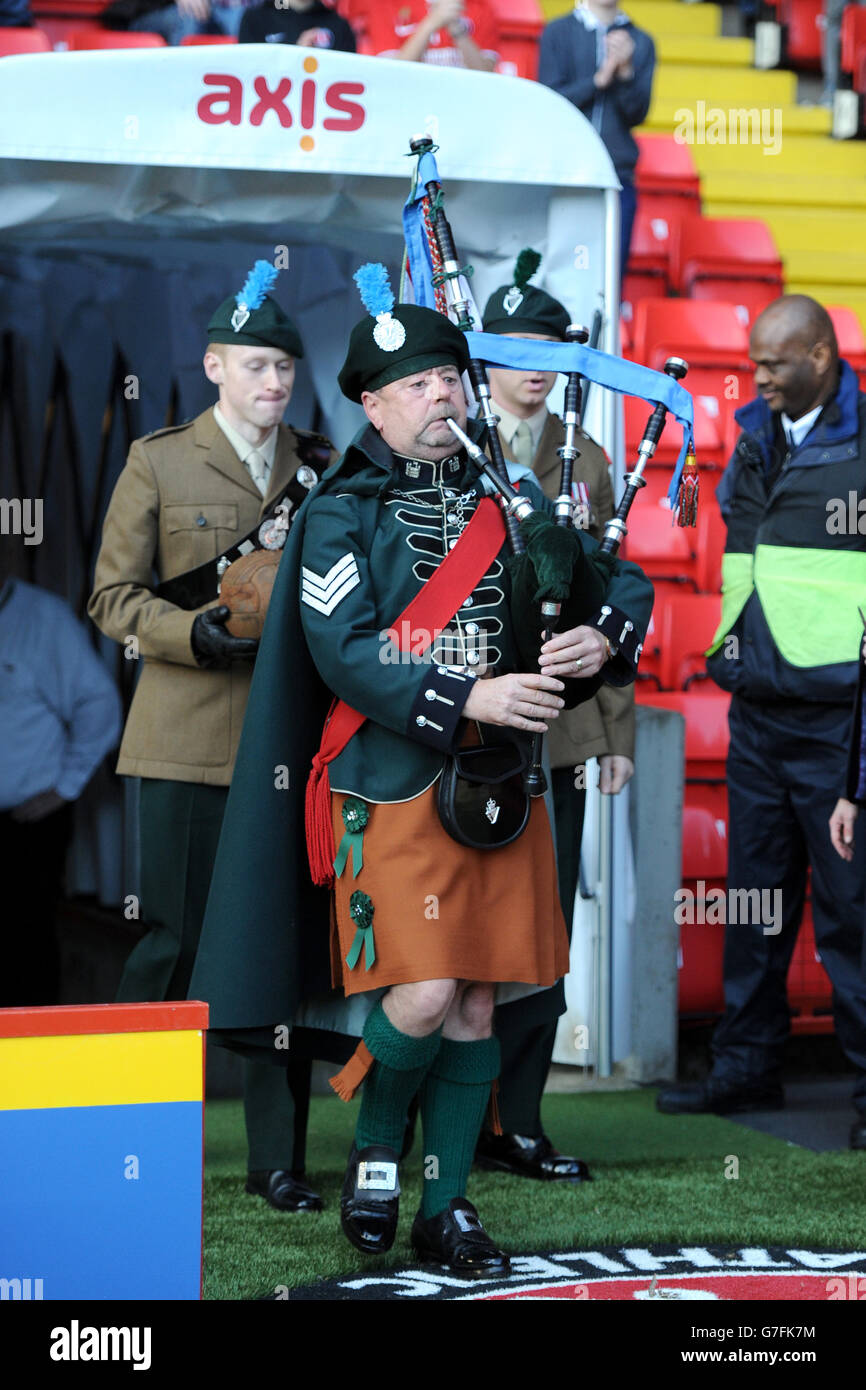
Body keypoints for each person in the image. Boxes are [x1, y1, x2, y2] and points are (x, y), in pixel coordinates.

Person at [275, 266, 651, 1274]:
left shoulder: (514, 494)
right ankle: (370, 1157)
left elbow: (616, 578)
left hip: (501, 787)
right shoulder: (339, 510)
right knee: (423, 990)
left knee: (480, 1000)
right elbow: (345, 646)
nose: (440, 394)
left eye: (448, 376)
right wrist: (466, 696)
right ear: (371, 402)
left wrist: (594, 641)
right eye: (415, 384)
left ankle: (447, 1206)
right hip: (391, 779)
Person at [88, 263, 336, 1210]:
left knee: (274, 947)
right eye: (256, 366)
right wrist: (191, 631)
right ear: (214, 366)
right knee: (171, 942)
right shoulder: (159, 459)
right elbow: (110, 597)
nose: (274, 383)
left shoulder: (318, 465)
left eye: (284, 366)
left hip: (284, 749)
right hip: (182, 741)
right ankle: (119, 1134)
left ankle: (277, 1161)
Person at [656, 295, 866, 1152]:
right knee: (755, 902)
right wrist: (729, 651)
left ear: (821, 354)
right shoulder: (755, 431)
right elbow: (740, 559)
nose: (759, 377)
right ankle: (744, 1066)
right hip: (759, 714)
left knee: (852, 914)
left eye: (775, 363)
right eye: (753, 361)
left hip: (841, 723)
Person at [473, 253, 637, 1181]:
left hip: (565, 728)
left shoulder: (591, 462)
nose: (536, 366)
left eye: (552, 349)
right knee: (454, 922)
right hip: (465, 723)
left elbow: (609, 601)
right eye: (517, 348)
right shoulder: (451, 443)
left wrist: (613, 732)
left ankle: (520, 1121)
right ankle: (446, 1111)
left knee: (544, 927)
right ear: (485, 358)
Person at [0, 566, 122, 1007]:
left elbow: (100, 704)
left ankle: (28, 1067)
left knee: (24, 947)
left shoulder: (40, 617)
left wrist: (65, 785)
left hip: (26, 823)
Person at [537, 0, 655, 279]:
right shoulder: (558, 32)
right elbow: (549, 103)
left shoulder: (641, 41)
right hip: (564, 173)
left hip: (616, 176)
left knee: (610, 277)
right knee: (558, 273)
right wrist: (599, 80)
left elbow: (637, 113)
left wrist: (625, 73)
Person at [373, 0, 498, 70]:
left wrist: (456, 28)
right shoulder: (387, 5)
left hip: (463, 101)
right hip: (410, 101)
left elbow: (485, 75)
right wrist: (431, 23)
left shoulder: (480, 7)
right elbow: (393, 74)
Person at [239, 0, 356, 50]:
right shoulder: (256, 19)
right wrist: (298, 57)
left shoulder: (338, 24)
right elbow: (248, 71)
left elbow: (348, 75)